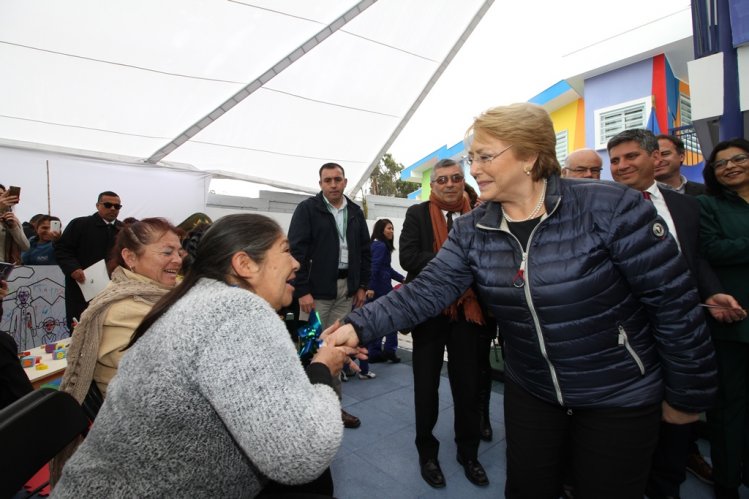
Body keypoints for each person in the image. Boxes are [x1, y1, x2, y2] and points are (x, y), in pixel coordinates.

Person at [325, 103, 717, 499]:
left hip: (616, 393)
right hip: (533, 389)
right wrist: (359, 325)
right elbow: (426, 290)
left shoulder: (610, 207)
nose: (473, 169)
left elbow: (674, 304)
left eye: (484, 156)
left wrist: (687, 395)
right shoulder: (473, 229)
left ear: (529, 156)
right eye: (471, 158)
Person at [52, 214, 350, 497]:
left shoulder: (200, 298)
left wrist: (318, 362)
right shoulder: (235, 310)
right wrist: (323, 369)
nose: (296, 263)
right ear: (245, 264)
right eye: (286, 251)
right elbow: (301, 454)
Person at [608, 129, 744, 499]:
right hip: (624, 335)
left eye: (631, 156)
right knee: (632, 420)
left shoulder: (685, 205)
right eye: (615, 160)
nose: (621, 166)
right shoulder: (598, 205)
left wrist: (713, 292)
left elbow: (695, 257)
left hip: (684, 329)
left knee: (679, 414)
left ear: (656, 158)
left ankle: (667, 486)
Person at [50, 218, 184, 483]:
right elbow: (156, 391)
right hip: (146, 441)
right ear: (130, 257)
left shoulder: (164, 293)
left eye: (180, 251)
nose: (178, 260)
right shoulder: (123, 309)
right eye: (167, 252)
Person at [395, 157, 491, 489]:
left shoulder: (481, 213)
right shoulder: (417, 214)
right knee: (426, 387)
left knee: (468, 388)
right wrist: (455, 261)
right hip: (429, 313)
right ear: (432, 185)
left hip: (469, 313)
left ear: (462, 181)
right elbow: (408, 257)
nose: (449, 184)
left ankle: (469, 454)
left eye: (455, 178)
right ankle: (428, 454)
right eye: (442, 180)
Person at [288, 162, 371, 429]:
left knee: (334, 350)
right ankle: (304, 409)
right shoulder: (308, 210)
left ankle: (332, 407)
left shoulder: (355, 213)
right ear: (320, 183)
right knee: (311, 350)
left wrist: (361, 285)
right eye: (328, 180)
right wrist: (302, 290)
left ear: (345, 182)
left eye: (337, 180)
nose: (333, 185)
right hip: (316, 294)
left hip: (347, 290)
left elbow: (365, 252)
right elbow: (296, 252)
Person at [698, 138, 749, 499]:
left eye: (739, 159)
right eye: (721, 163)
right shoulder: (707, 205)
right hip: (733, 319)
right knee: (729, 409)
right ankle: (727, 483)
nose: (730, 167)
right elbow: (711, 249)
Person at [55, 191, 124, 330]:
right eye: (108, 205)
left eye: (117, 206)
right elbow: (62, 249)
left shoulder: (124, 230)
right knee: (81, 327)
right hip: (82, 286)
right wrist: (73, 268)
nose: (112, 209)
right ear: (98, 205)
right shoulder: (80, 224)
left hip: (115, 287)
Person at [360, 218, 405, 377]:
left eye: (392, 229)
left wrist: (402, 279)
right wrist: (371, 287)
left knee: (376, 321)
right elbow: (375, 267)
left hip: (379, 288)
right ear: (381, 230)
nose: (391, 232)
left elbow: (386, 269)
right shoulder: (380, 246)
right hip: (380, 289)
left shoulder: (377, 244)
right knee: (392, 320)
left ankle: (375, 352)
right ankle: (389, 351)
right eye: (388, 229)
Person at [0, 184, 30, 264]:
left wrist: (14, 227)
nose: (2, 199)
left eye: (3, 195)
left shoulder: (12, 218)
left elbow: (25, 247)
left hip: (6, 268)